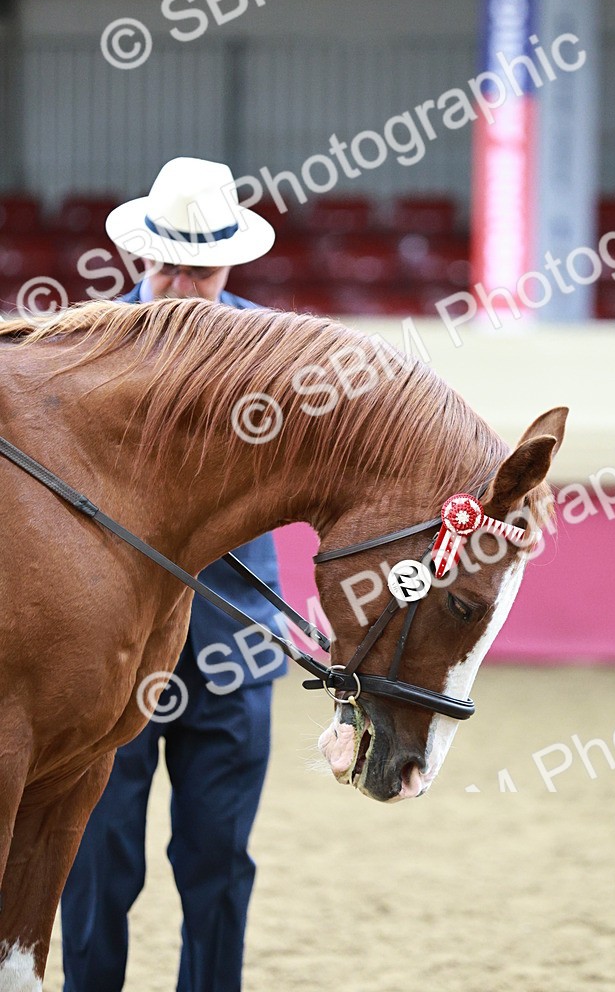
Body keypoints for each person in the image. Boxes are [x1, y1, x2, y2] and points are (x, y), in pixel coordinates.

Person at [61, 157, 285, 992]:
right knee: (93, 863)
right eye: (169, 263)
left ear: (231, 262)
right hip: (107, 656)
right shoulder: (81, 350)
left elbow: (372, 442)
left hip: (232, 650)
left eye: (202, 266)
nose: (184, 283)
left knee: (220, 865)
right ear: (141, 256)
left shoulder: (279, 352)